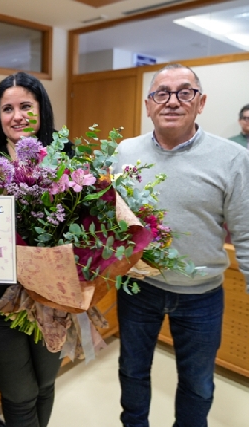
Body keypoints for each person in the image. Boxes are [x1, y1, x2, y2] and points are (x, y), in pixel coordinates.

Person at [114, 63, 249, 427]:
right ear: (148, 105)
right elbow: (110, 220)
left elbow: (246, 233)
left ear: (200, 102)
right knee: (132, 371)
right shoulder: (125, 153)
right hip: (138, 288)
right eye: (162, 93)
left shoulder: (234, 158)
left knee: (198, 384)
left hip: (201, 294)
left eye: (184, 92)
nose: (172, 101)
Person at [0, 71, 64, 427]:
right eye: (7, 108)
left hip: (50, 298)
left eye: (25, 106)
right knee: (20, 395)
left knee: (46, 384)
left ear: (41, 110)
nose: (16, 116)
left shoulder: (66, 158)